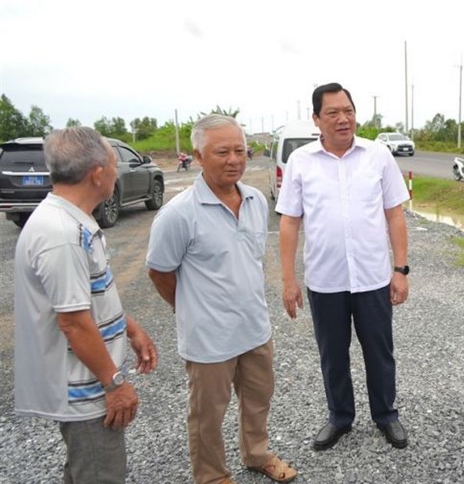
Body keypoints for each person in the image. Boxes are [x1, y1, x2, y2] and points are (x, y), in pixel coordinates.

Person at [146, 114, 296, 484]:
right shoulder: (178, 215)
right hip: (209, 338)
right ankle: (212, 476)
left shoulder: (256, 200)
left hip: (254, 327)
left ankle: (256, 453)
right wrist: (191, 309)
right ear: (198, 156)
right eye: (222, 152)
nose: (234, 159)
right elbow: (159, 272)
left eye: (240, 151)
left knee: (258, 399)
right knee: (207, 415)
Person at [14, 127, 158, 483]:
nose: (116, 172)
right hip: (86, 388)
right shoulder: (62, 235)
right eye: (113, 164)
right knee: (99, 472)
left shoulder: (73, 221)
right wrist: (115, 384)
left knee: (84, 471)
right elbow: (74, 323)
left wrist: (131, 326)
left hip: (90, 381)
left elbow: (88, 298)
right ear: (97, 174)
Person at [276, 83, 410, 451]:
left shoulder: (378, 155)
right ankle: (339, 418)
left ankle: (386, 416)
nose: (343, 118)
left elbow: (395, 214)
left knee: (380, 351)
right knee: (332, 354)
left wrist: (400, 269)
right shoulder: (301, 161)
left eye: (348, 110)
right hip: (325, 279)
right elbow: (289, 222)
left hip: (372, 277)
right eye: (332, 112)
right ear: (316, 119)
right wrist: (288, 280)